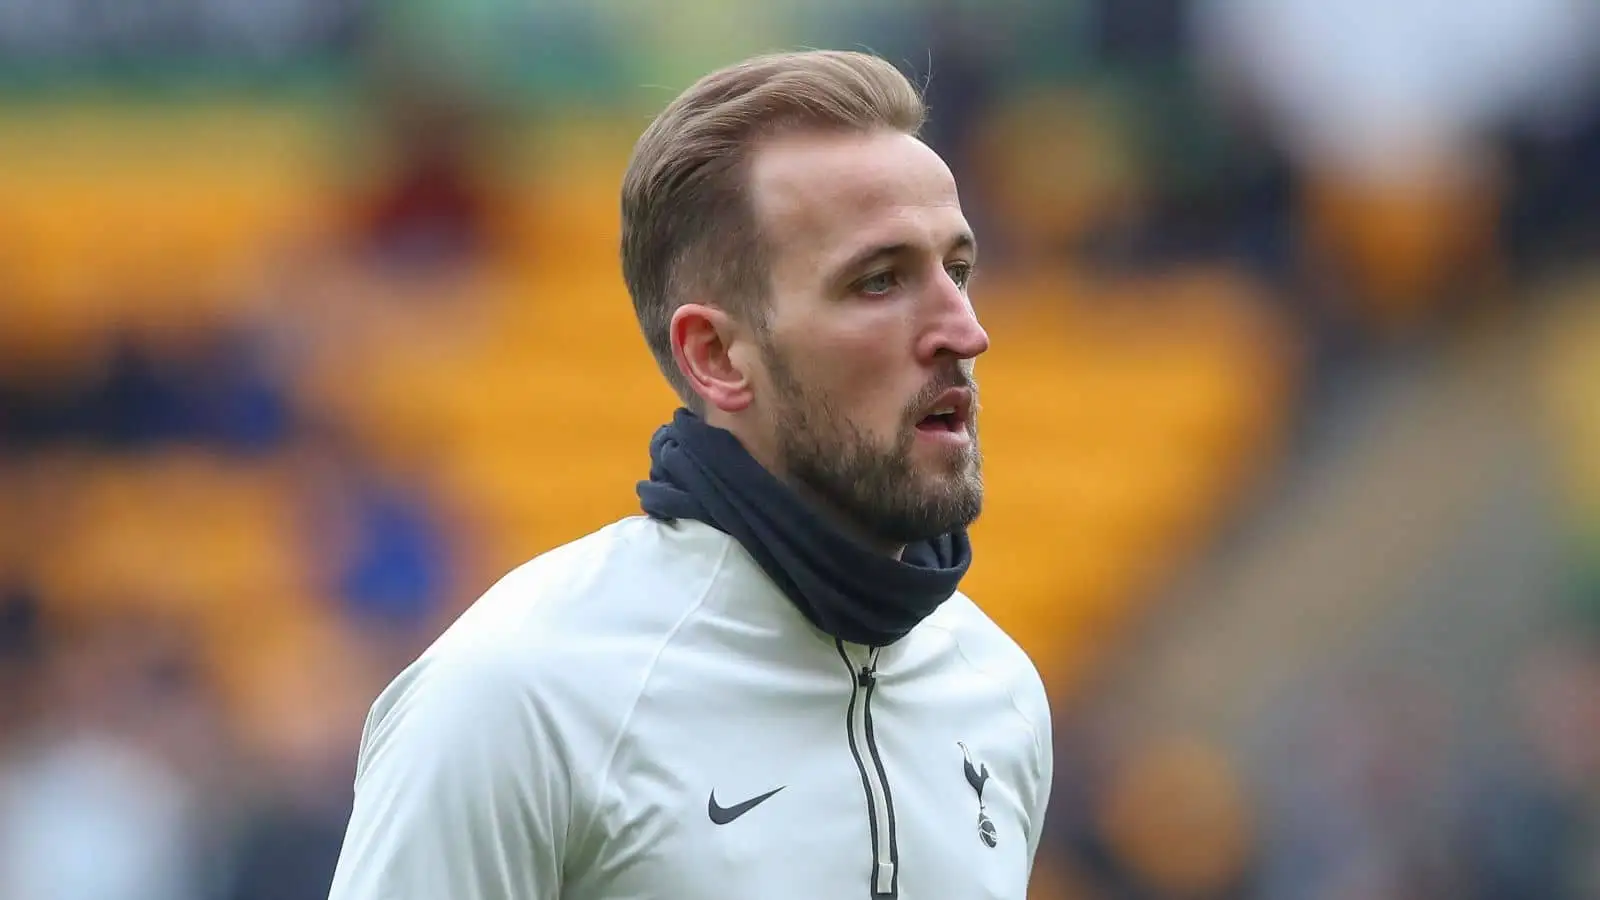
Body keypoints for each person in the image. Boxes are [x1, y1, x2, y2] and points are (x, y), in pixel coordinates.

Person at [327, 49, 1053, 900]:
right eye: (880, 280)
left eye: (958, 271)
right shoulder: (518, 696)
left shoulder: (998, 693)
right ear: (715, 357)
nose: (965, 332)